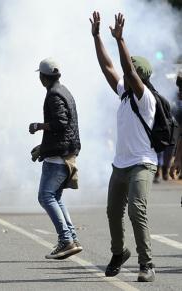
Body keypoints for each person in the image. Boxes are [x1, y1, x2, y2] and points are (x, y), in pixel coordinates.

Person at [90, 11, 157, 282]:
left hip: (142, 163)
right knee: (112, 212)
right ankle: (119, 253)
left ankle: (147, 264)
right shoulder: (125, 93)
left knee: (135, 210)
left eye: (132, 73)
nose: (125, 77)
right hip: (120, 164)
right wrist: (96, 38)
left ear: (139, 77)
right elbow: (109, 68)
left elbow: (126, 69)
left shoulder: (144, 98)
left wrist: (120, 40)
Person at [29, 58, 82, 260]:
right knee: (55, 197)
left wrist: (38, 126)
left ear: (43, 77)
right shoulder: (64, 90)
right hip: (62, 150)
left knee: (46, 196)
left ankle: (66, 240)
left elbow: (61, 122)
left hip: (59, 155)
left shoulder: (53, 95)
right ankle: (72, 239)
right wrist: (44, 146)